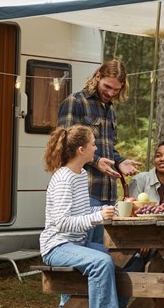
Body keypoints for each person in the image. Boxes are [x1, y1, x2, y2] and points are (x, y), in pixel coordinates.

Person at [39, 125, 135, 308]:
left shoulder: (81, 174)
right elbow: (62, 223)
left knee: (131, 260)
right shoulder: (63, 179)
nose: (96, 148)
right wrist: (98, 216)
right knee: (102, 262)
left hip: (78, 244)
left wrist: (110, 209)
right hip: (57, 246)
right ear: (81, 150)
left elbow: (82, 212)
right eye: (93, 144)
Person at [58, 59, 141, 244]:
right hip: (83, 190)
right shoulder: (75, 102)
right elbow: (65, 145)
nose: (111, 93)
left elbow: (108, 148)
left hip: (107, 194)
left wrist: (119, 161)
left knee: (101, 249)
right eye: (107, 87)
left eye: (116, 89)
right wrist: (96, 162)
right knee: (85, 249)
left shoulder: (109, 109)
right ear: (97, 77)